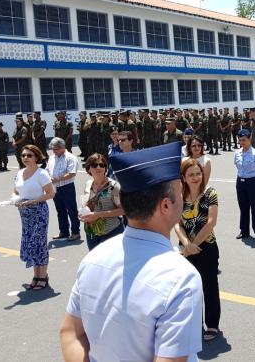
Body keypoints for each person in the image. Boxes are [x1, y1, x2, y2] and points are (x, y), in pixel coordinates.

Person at [60, 142, 203, 361]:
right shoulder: (181, 278)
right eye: (180, 191)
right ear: (166, 205)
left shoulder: (94, 258)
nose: (184, 197)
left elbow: (71, 334)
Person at [175, 158, 221, 341]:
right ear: (184, 178)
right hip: (185, 250)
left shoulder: (210, 193)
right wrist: (186, 244)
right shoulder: (179, 196)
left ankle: (212, 325)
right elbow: (176, 223)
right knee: (190, 290)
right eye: (191, 174)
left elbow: (211, 222)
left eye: (198, 174)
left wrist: (194, 245)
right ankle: (195, 324)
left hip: (207, 248)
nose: (195, 177)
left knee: (209, 287)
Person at [13, 144, 55, 290]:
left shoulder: (41, 173)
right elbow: (16, 192)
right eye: (23, 155)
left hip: (39, 212)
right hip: (25, 214)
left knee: (39, 243)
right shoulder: (19, 173)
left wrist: (33, 201)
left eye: (29, 155)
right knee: (30, 242)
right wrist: (14, 200)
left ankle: (43, 276)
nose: (25, 158)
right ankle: (36, 275)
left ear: (37, 157)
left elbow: (51, 193)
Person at [80, 153, 124, 250]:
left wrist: (98, 215)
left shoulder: (113, 187)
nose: (98, 167)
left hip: (111, 232)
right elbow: (87, 204)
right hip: (91, 232)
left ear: (105, 168)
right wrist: (82, 214)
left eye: (102, 165)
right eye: (95, 165)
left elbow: (123, 210)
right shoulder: (88, 184)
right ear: (89, 169)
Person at [47, 137, 81, 241]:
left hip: (67, 187)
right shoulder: (52, 157)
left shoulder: (70, 157)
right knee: (60, 210)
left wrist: (57, 179)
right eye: (52, 149)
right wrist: (48, 177)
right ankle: (64, 231)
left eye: (56, 149)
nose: (53, 151)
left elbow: (71, 173)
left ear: (62, 147)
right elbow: (47, 169)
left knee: (72, 210)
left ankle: (75, 232)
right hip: (55, 188)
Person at [234, 129, 255, 241]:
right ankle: (244, 231)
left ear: (250, 138)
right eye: (240, 140)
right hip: (240, 182)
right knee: (243, 208)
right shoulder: (237, 153)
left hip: (253, 182)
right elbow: (237, 166)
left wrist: (253, 177)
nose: (242, 142)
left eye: (244, 140)